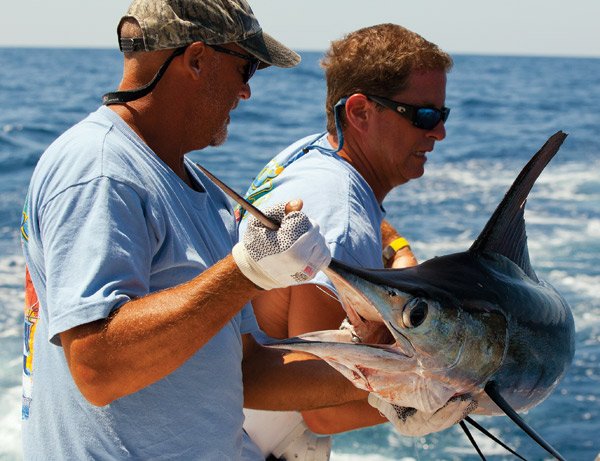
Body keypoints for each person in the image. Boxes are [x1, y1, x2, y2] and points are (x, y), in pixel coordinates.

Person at [19, 1, 373, 459]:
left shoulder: (204, 191)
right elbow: (98, 367)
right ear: (197, 60)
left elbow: (248, 371)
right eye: (246, 69)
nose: (246, 93)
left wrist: (393, 383)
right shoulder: (99, 169)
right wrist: (244, 273)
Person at [238, 23, 469, 459]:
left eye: (443, 114)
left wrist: (399, 251)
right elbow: (318, 410)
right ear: (360, 112)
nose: (438, 132)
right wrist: (458, 398)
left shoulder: (311, 155)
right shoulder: (341, 217)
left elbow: (364, 219)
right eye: (424, 115)